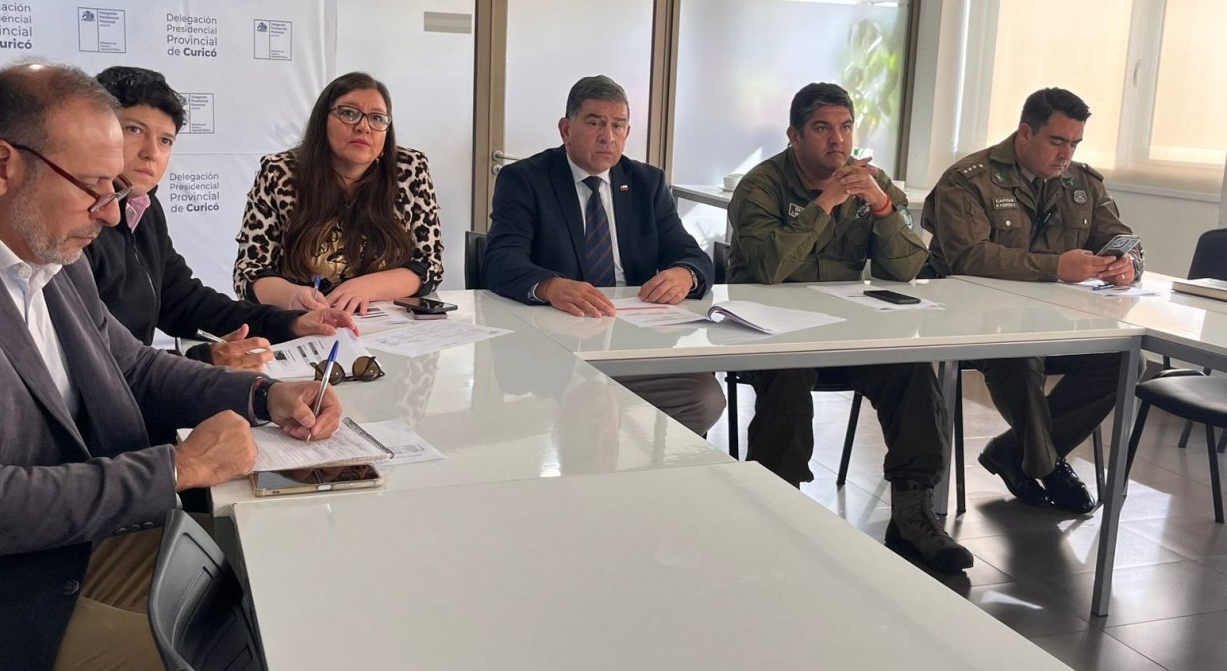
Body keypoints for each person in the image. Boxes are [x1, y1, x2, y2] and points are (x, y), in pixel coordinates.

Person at [0, 63, 343, 671]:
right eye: (94, 188)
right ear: (2, 166)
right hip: (1, 597)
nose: (111, 213)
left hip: (81, 541)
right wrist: (176, 468)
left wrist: (262, 395)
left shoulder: (48, 251)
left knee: (285, 584)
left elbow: (132, 368)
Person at [726, 82, 971, 573]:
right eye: (821, 128)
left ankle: (913, 512)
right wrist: (825, 203)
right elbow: (770, 270)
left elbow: (907, 269)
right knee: (787, 377)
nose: (837, 140)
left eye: (845, 127)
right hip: (770, 332)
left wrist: (882, 206)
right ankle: (778, 506)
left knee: (911, 369)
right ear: (794, 135)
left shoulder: (870, 182)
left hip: (846, 330)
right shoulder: (761, 186)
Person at [922, 87, 1141, 514]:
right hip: (975, 317)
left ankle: (1011, 452)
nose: (1066, 154)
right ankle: (1047, 466)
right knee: (1019, 356)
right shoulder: (968, 179)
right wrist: (1055, 266)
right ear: (1025, 132)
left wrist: (1127, 264)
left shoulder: (1083, 183)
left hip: (1056, 318)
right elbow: (967, 257)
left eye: (1074, 143)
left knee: (1125, 358)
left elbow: (1121, 238)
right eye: (1057, 141)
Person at [481, 74, 724, 436]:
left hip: (633, 343)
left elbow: (692, 255)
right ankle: (591, 442)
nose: (607, 136)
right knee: (565, 415)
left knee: (705, 398)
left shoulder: (646, 183)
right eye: (595, 123)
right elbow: (500, 261)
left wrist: (685, 274)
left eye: (618, 125)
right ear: (566, 129)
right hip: (555, 345)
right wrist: (549, 286)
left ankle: (621, 449)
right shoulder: (526, 180)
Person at [86, 66, 356, 371]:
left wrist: (291, 323)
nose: (152, 152)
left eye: (165, 141)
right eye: (135, 130)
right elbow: (93, 364)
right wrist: (204, 361)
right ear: (97, 130)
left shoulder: (144, 209)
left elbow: (186, 303)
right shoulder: (77, 225)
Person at [234, 71, 444, 315]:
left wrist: (368, 287)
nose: (363, 127)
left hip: (387, 322)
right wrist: (291, 297)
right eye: (349, 113)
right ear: (323, 120)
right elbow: (249, 272)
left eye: (377, 118)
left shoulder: (409, 169)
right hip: (305, 319)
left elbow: (430, 265)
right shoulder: (280, 172)